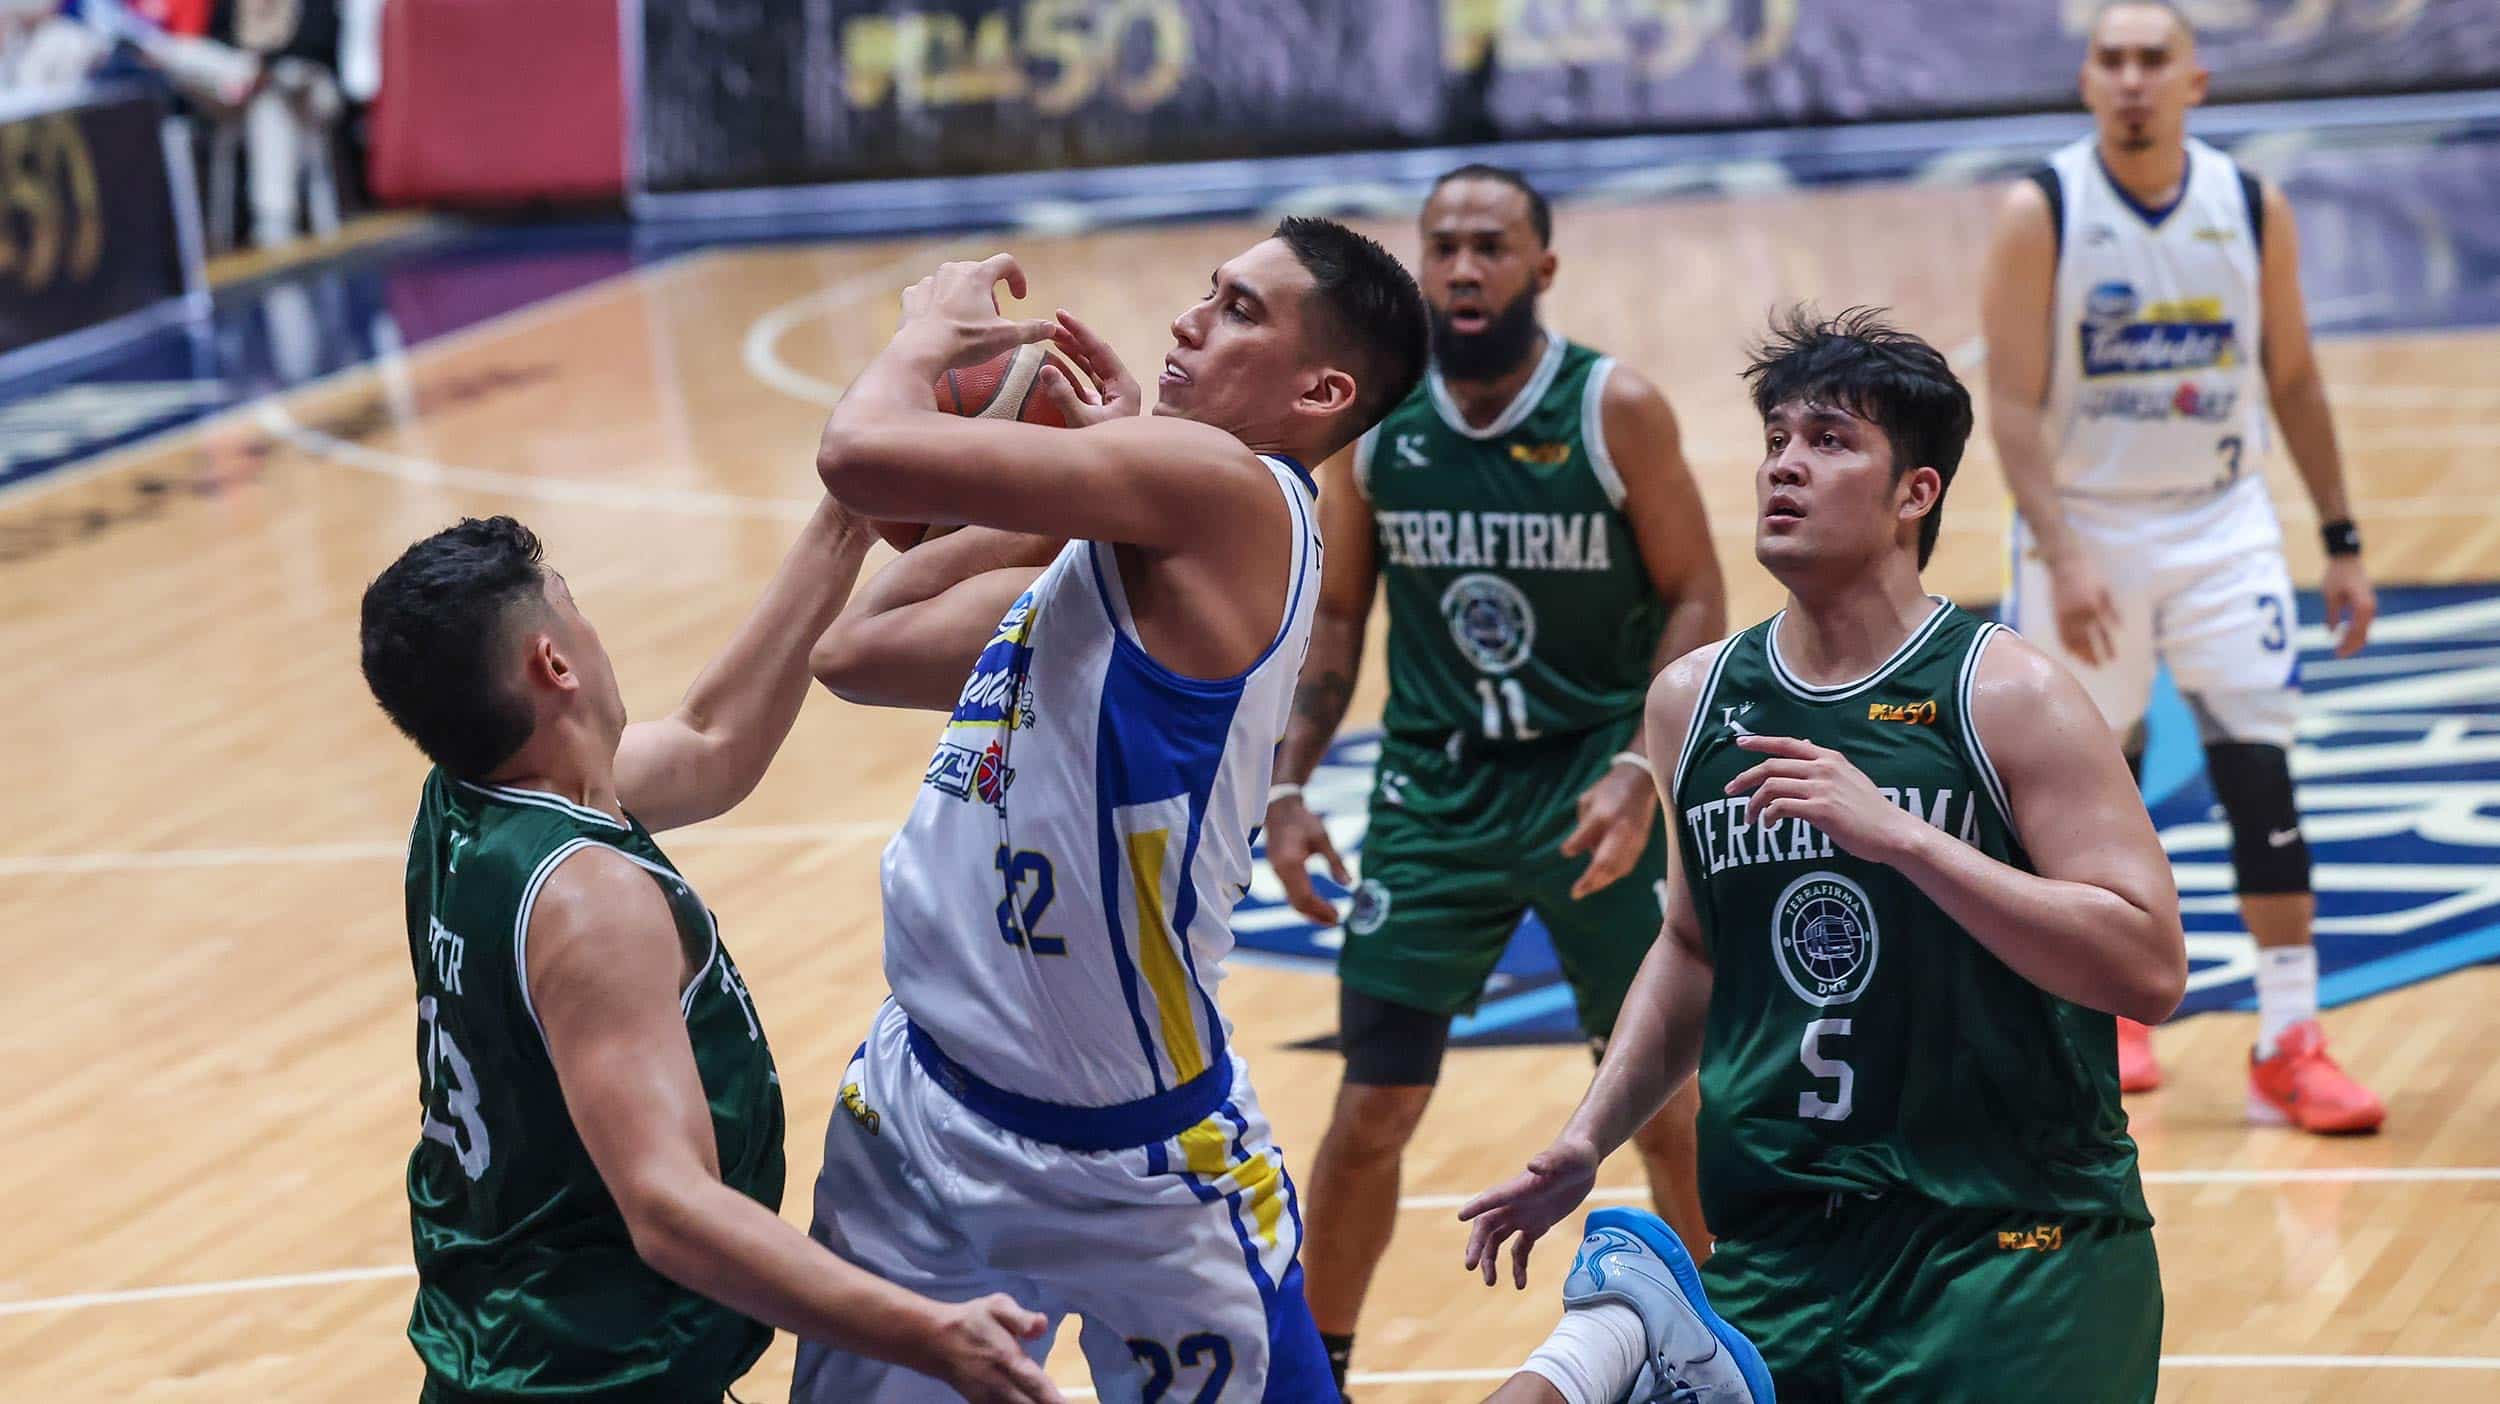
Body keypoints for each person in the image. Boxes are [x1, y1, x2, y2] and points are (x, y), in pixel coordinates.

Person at [1460, 308, 2187, 1403]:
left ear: (1914, 494)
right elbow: (1692, 949)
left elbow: (2148, 964)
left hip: (2012, 1248)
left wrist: (1905, 839)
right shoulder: (1693, 701)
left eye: (1831, 440)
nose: (1784, 466)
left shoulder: (2007, 694)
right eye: (1776, 439)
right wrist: (1588, 1137)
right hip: (1778, 1259)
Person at [797, 222, 1430, 1401]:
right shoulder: (1125, 545)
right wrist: (1083, 493)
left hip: (1132, 1157)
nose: (1190, 320)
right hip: (922, 1102)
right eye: (1208, 292)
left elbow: (859, 453)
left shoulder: (1236, 490)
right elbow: (856, 649)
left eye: (1239, 310)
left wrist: (928, 335)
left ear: (1320, 392)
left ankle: (1609, 1345)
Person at [360, 508, 1063, 1404]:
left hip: (517, 1345)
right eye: (572, 606)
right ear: (555, 663)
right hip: (592, 1381)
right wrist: (927, 1332)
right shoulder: (589, 904)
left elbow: (711, 742)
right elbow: (670, 1210)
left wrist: (844, 524)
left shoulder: (471, 801)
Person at [1258, 163, 1725, 1397]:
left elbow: (1696, 594)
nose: (1463, 268)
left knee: (1667, 1108)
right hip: (1435, 796)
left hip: (1592, 783)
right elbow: (1339, 618)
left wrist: (1641, 767)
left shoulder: (1611, 407)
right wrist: (1287, 788)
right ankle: (1318, 1374)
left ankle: (1729, 1358)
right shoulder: (1382, 424)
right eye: (1444, 246)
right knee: (1372, 1109)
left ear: (1541, 267)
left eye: (1491, 246)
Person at [1979, 0, 2383, 1130]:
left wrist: (2341, 538)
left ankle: (2288, 1040)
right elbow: (2008, 403)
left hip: (2221, 521)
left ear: (2194, 81)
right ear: (2085, 82)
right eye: (2109, 60)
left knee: (2259, 768)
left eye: (2152, 59)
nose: (2131, 78)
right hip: (2085, 521)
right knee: (2085, 779)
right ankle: (2103, 1012)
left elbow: (2292, 378)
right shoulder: (2042, 209)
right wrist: (2063, 553)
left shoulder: (2249, 206)